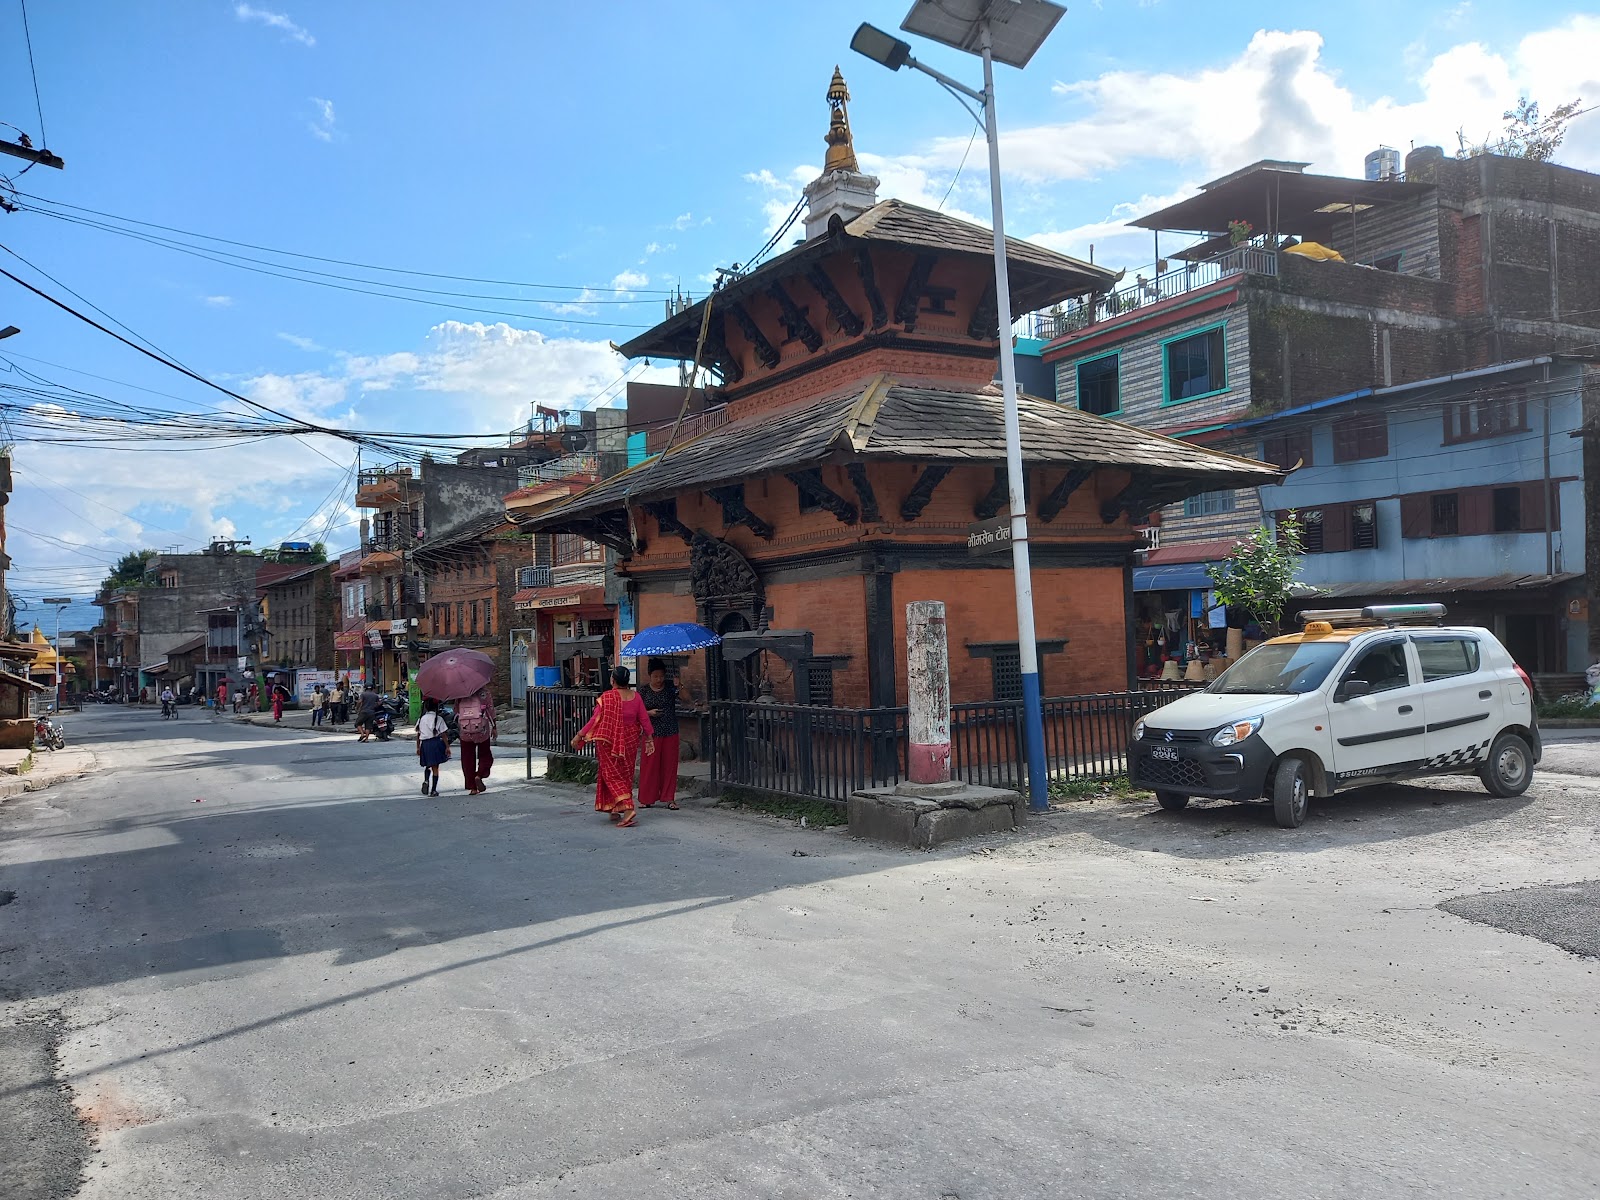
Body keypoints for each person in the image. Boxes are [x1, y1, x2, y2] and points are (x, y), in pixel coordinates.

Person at [572, 665, 654, 828]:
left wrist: (580, 734)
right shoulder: (636, 697)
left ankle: (628, 807)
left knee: (610, 774)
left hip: (608, 740)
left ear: (612, 680)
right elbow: (644, 719)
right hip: (630, 740)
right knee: (625, 773)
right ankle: (615, 808)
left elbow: (594, 720)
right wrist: (649, 738)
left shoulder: (607, 697)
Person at [638, 659, 681, 810]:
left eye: (661, 676)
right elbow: (638, 712)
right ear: (650, 675)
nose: (659, 680)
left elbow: (687, 699)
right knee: (650, 766)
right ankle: (646, 798)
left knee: (669, 765)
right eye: (656, 676)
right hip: (651, 733)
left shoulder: (670, 687)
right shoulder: (643, 691)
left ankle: (669, 798)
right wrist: (649, 713)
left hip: (670, 730)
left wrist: (679, 686)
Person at [453, 685, 498, 796]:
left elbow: (456, 711)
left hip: (465, 731)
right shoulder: (484, 693)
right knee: (485, 755)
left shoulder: (459, 694)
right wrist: (494, 727)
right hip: (481, 730)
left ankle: (473, 787)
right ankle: (479, 775)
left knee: (467, 759)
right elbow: (490, 710)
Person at [415, 697, 450, 796]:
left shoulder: (421, 719)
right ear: (436, 707)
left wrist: (418, 747)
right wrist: (447, 746)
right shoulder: (438, 719)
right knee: (435, 767)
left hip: (425, 744)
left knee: (428, 765)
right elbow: (443, 734)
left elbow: (418, 735)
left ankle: (426, 780)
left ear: (425, 707)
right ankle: (433, 790)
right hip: (435, 743)